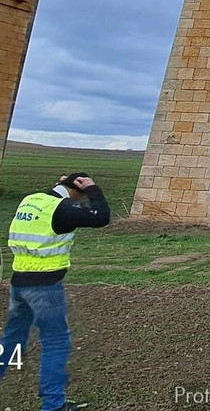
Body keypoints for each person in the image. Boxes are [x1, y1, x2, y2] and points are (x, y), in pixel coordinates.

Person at [1, 173, 111, 411]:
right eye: (80, 197)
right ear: (75, 191)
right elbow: (102, 217)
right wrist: (93, 190)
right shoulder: (62, 208)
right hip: (44, 286)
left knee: (11, 340)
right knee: (55, 343)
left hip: (19, 281)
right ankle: (53, 405)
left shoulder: (31, 200)